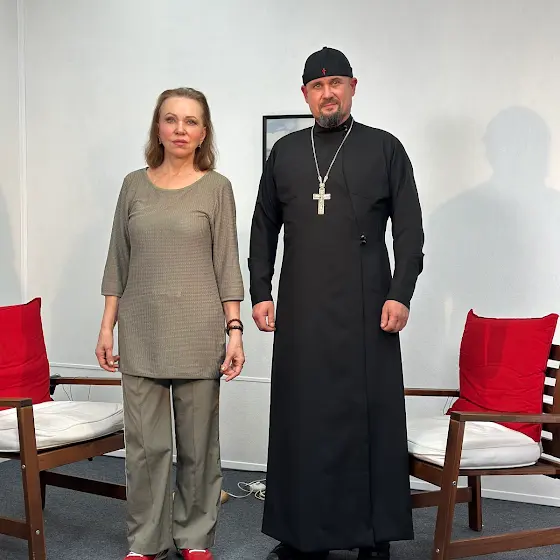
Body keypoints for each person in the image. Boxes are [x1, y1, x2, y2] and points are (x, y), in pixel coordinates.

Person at [249, 47, 424, 560]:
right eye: (317, 86)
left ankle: (374, 535)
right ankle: (302, 535)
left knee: (369, 418)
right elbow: (264, 225)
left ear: (353, 87)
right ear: (305, 94)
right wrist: (261, 290)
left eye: (337, 84)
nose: (328, 94)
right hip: (301, 306)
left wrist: (401, 292)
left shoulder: (385, 148)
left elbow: (409, 229)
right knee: (303, 419)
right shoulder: (285, 153)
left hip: (369, 306)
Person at [96, 87, 245, 560]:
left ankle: (194, 537)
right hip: (141, 333)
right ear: (158, 128)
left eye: (191, 121)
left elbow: (227, 263)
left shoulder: (216, 187)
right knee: (145, 449)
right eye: (171, 119)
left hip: (198, 334)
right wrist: (107, 326)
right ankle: (146, 541)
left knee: (198, 448)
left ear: (203, 133)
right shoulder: (132, 185)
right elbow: (118, 260)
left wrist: (235, 331)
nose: (180, 129)